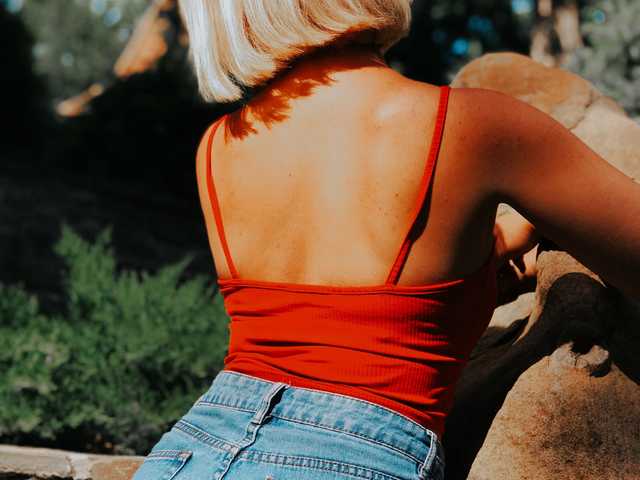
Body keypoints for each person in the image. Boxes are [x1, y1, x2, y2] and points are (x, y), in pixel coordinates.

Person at [131, 1, 640, 479]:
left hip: (193, 447)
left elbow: (329, 309)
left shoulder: (219, 145)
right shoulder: (474, 124)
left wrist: (479, 271)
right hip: (347, 454)